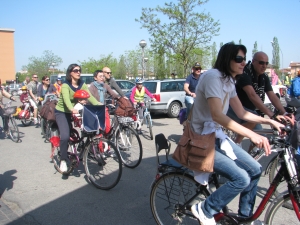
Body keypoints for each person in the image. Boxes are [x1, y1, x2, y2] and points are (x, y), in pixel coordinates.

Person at [189, 43, 283, 225]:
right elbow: (217, 115)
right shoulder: (212, 78)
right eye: (238, 59)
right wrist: (253, 135)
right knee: (241, 178)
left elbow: (242, 113)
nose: (243, 63)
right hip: (201, 140)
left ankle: (244, 218)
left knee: (255, 170)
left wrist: (269, 120)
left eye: (244, 59)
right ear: (227, 59)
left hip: (216, 137)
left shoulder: (229, 81)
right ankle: (204, 209)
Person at [226, 51, 291, 145]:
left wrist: (284, 113)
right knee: (253, 117)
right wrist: (271, 115)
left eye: (266, 63)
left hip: (248, 110)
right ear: (253, 61)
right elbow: (252, 95)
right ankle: (236, 145)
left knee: (261, 139)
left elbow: (272, 96)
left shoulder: (264, 77)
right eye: (261, 62)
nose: (264, 66)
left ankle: (252, 157)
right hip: (234, 108)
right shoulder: (244, 73)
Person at [55, 64, 100, 173]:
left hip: (76, 110)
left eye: (79, 70)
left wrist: (99, 105)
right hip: (62, 112)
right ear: (70, 72)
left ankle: (84, 149)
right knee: (65, 136)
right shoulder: (65, 85)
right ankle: (63, 160)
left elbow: (90, 97)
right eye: (76, 70)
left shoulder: (82, 84)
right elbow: (66, 99)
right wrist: (71, 109)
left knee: (90, 130)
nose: (78, 72)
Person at [89, 70, 120, 134]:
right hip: (94, 109)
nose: (102, 78)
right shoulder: (92, 86)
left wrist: (120, 98)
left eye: (103, 76)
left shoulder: (105, 85)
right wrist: (96, 104)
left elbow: (112, 93)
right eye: (100, 76)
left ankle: (105, 141)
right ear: (95, 78)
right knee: (99, 128)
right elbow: (90, 98)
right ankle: (99, 142)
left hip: (103, 108)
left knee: (107, 128)